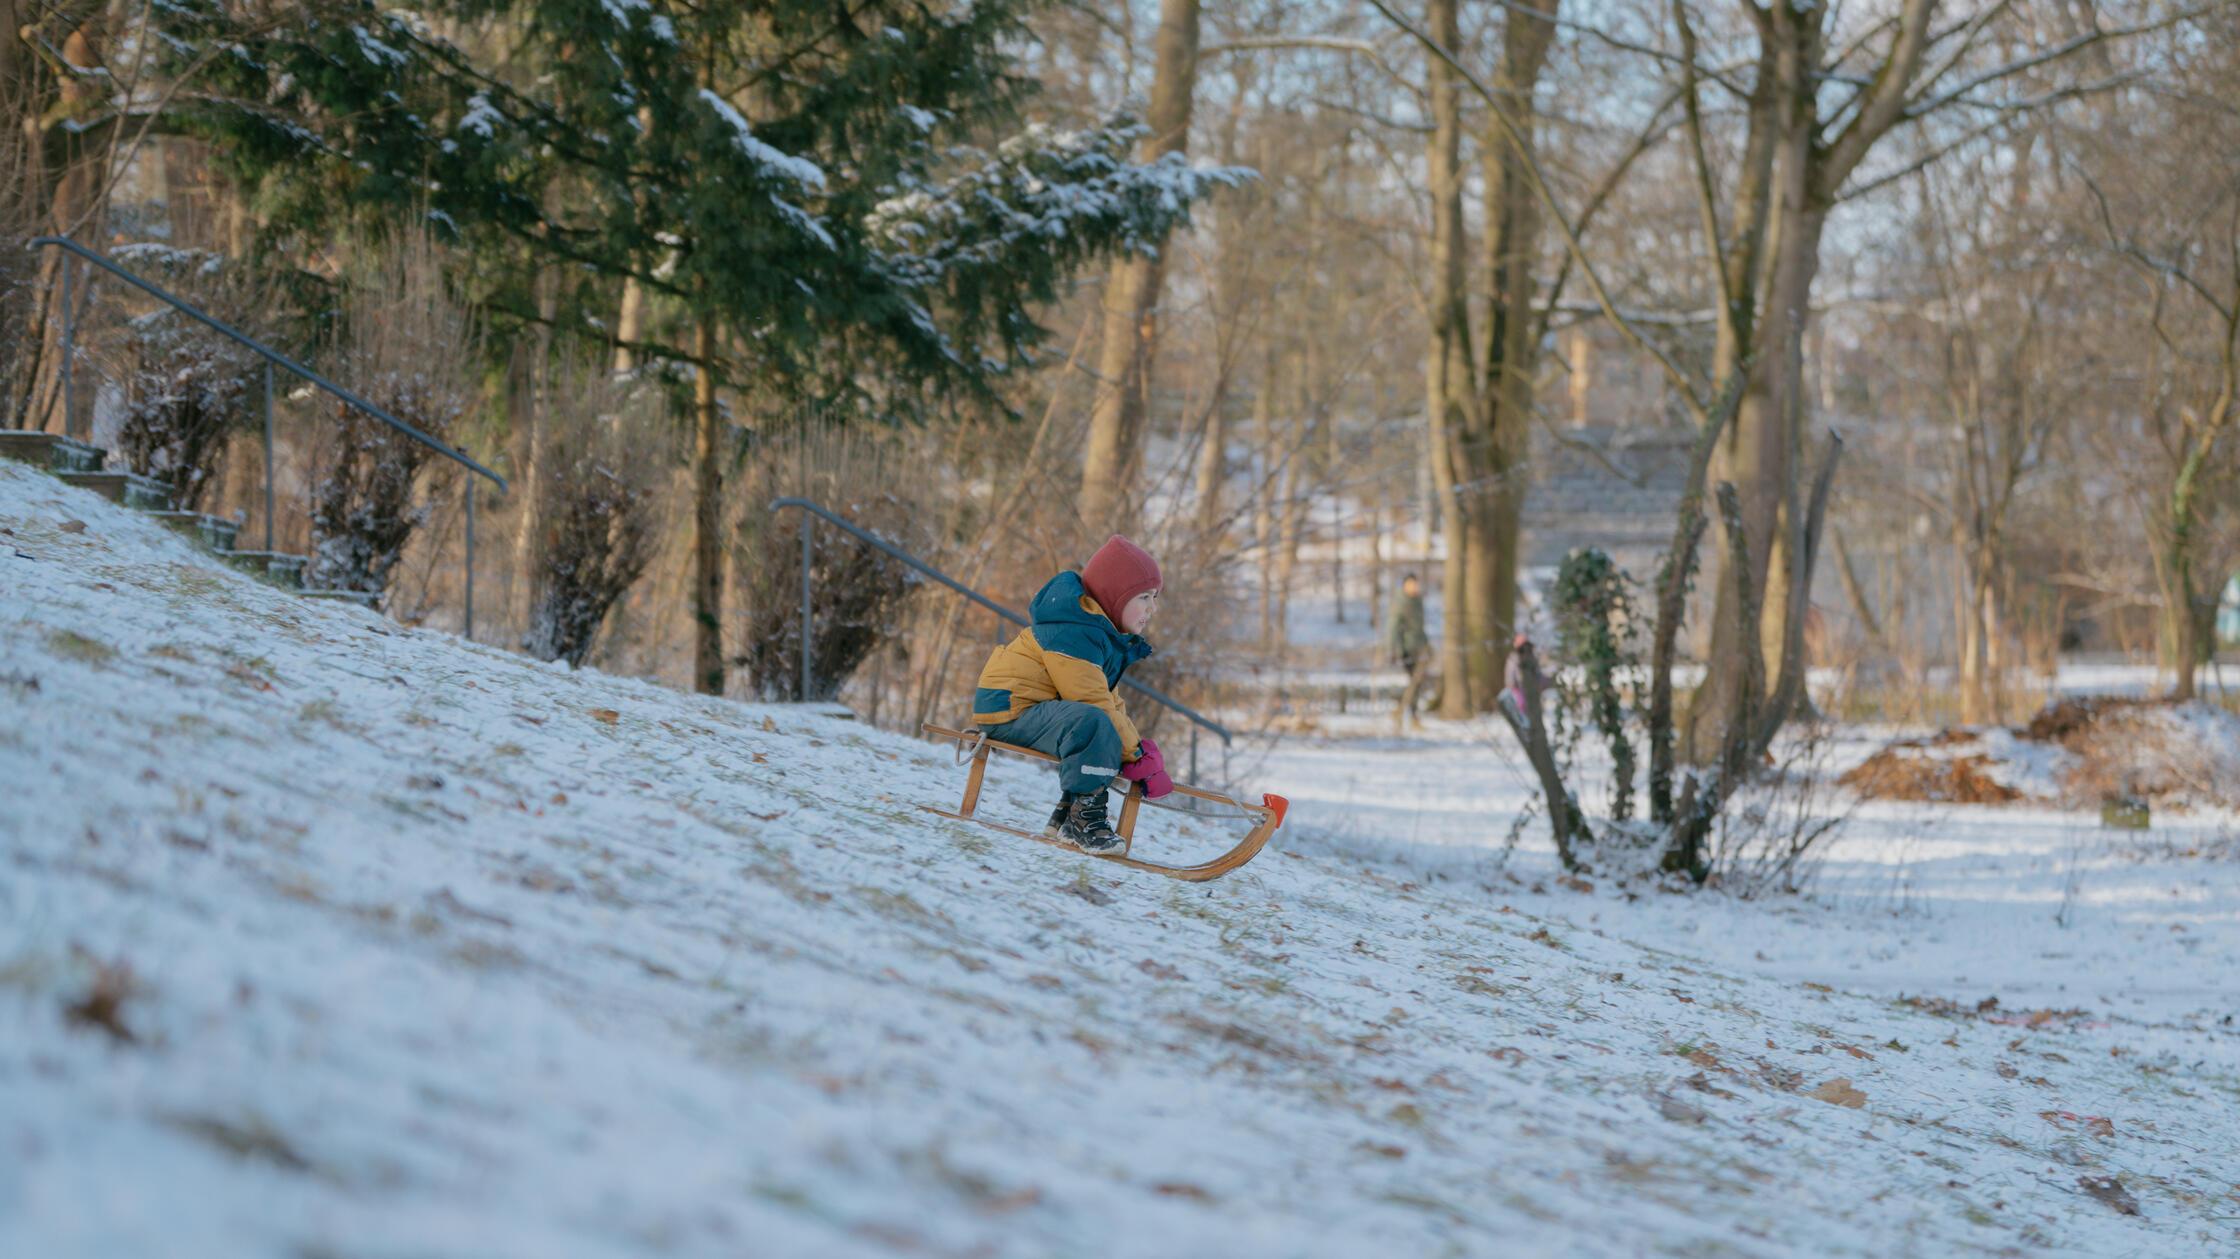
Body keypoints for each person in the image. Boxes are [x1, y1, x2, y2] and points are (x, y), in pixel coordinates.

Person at [972, 535, 1173, 854]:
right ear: (1114, 597)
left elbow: (1110, 701)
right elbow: (1092, 701)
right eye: (1143, 597)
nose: (1152, 608)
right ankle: (1084, 823)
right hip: (1010, 708)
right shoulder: (1074, 634)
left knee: (1096, 723)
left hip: (1031, 709)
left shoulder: (1098, 635)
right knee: (1092, 723)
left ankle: (1066, 816)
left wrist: (1140, 749)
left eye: (1155, 597)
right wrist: (1135, 755)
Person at [1385, 572, 1432, 730]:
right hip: (1406, 648)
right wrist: (1395, 650)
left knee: (1417, 683)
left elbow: (1420, 627)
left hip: (1420, 647)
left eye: (1416, 584)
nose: (1414, 587)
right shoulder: (1401, 602)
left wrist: (1426, 644)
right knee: (1414, 682)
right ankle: (1405, 713)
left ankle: (1406, 714)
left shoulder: (1417, 601)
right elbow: (1393, 628)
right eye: (1411, 584)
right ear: (1404, 585)